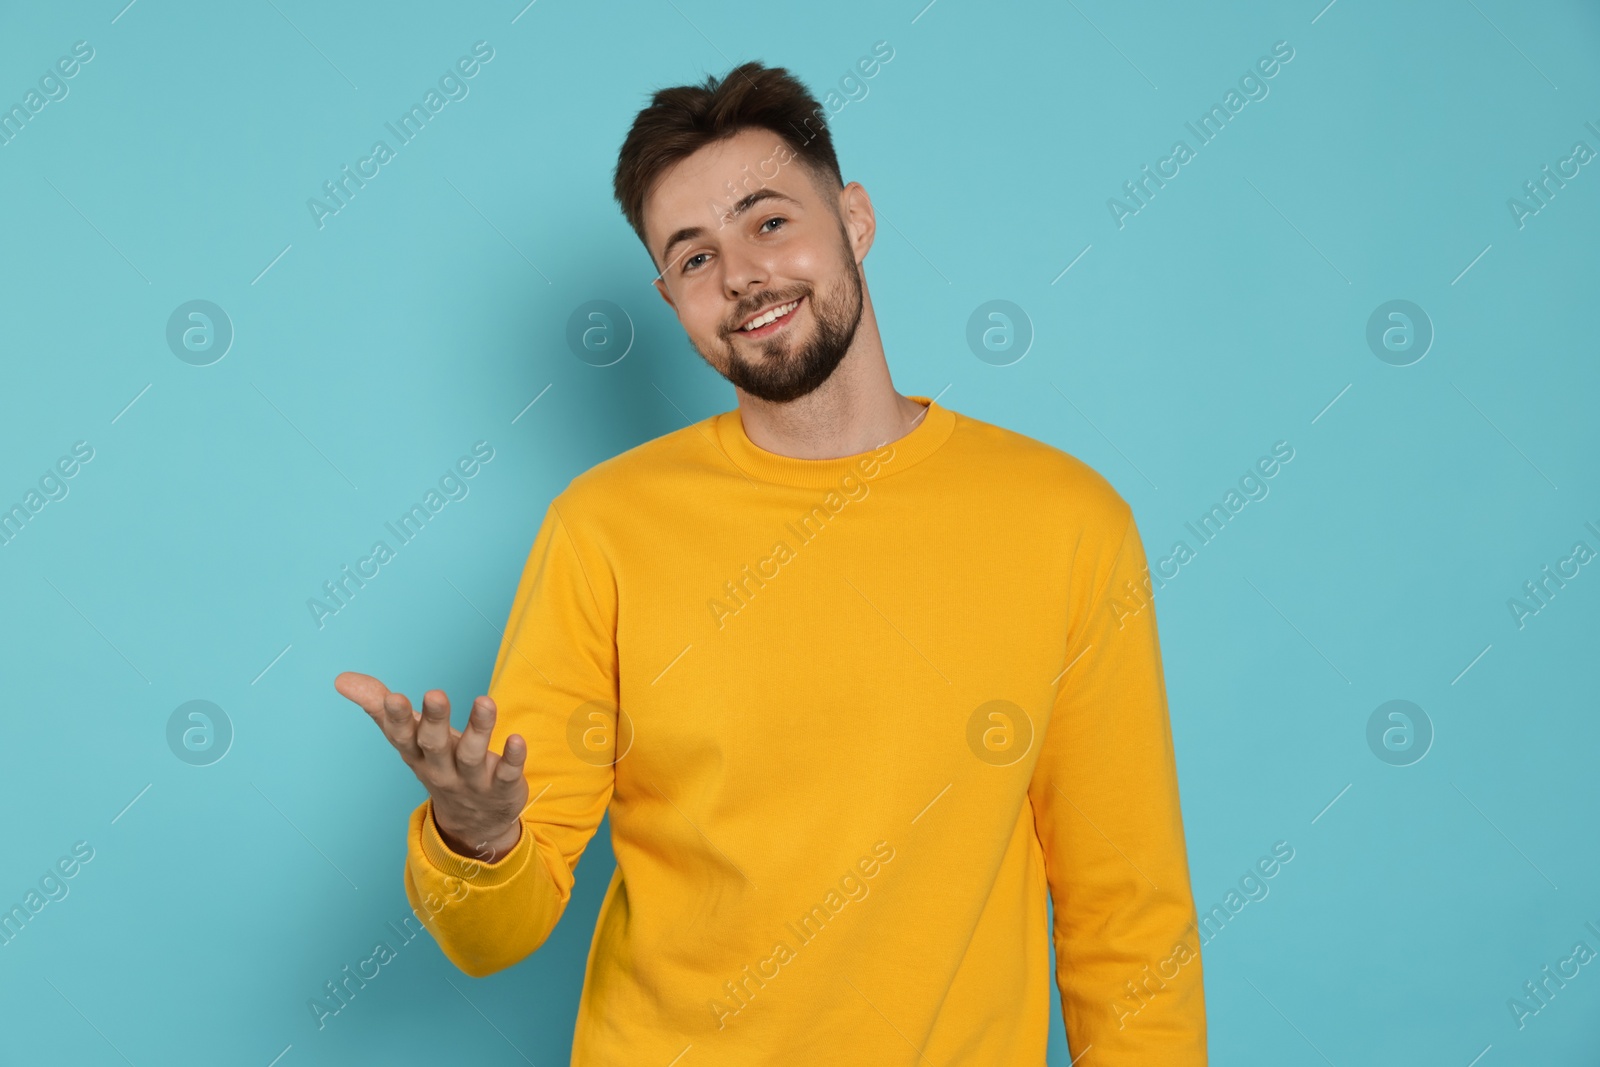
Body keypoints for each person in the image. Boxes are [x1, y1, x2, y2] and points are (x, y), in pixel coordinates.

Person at [336, 60, 1207, 1065]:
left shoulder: (1065, 520)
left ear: (855, 219)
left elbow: (1125, 913)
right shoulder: (603, 527)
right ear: (669, 299)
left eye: (769, 221)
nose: (742, 273)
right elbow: (497, 934)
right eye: (694, 257)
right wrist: (476, 837)